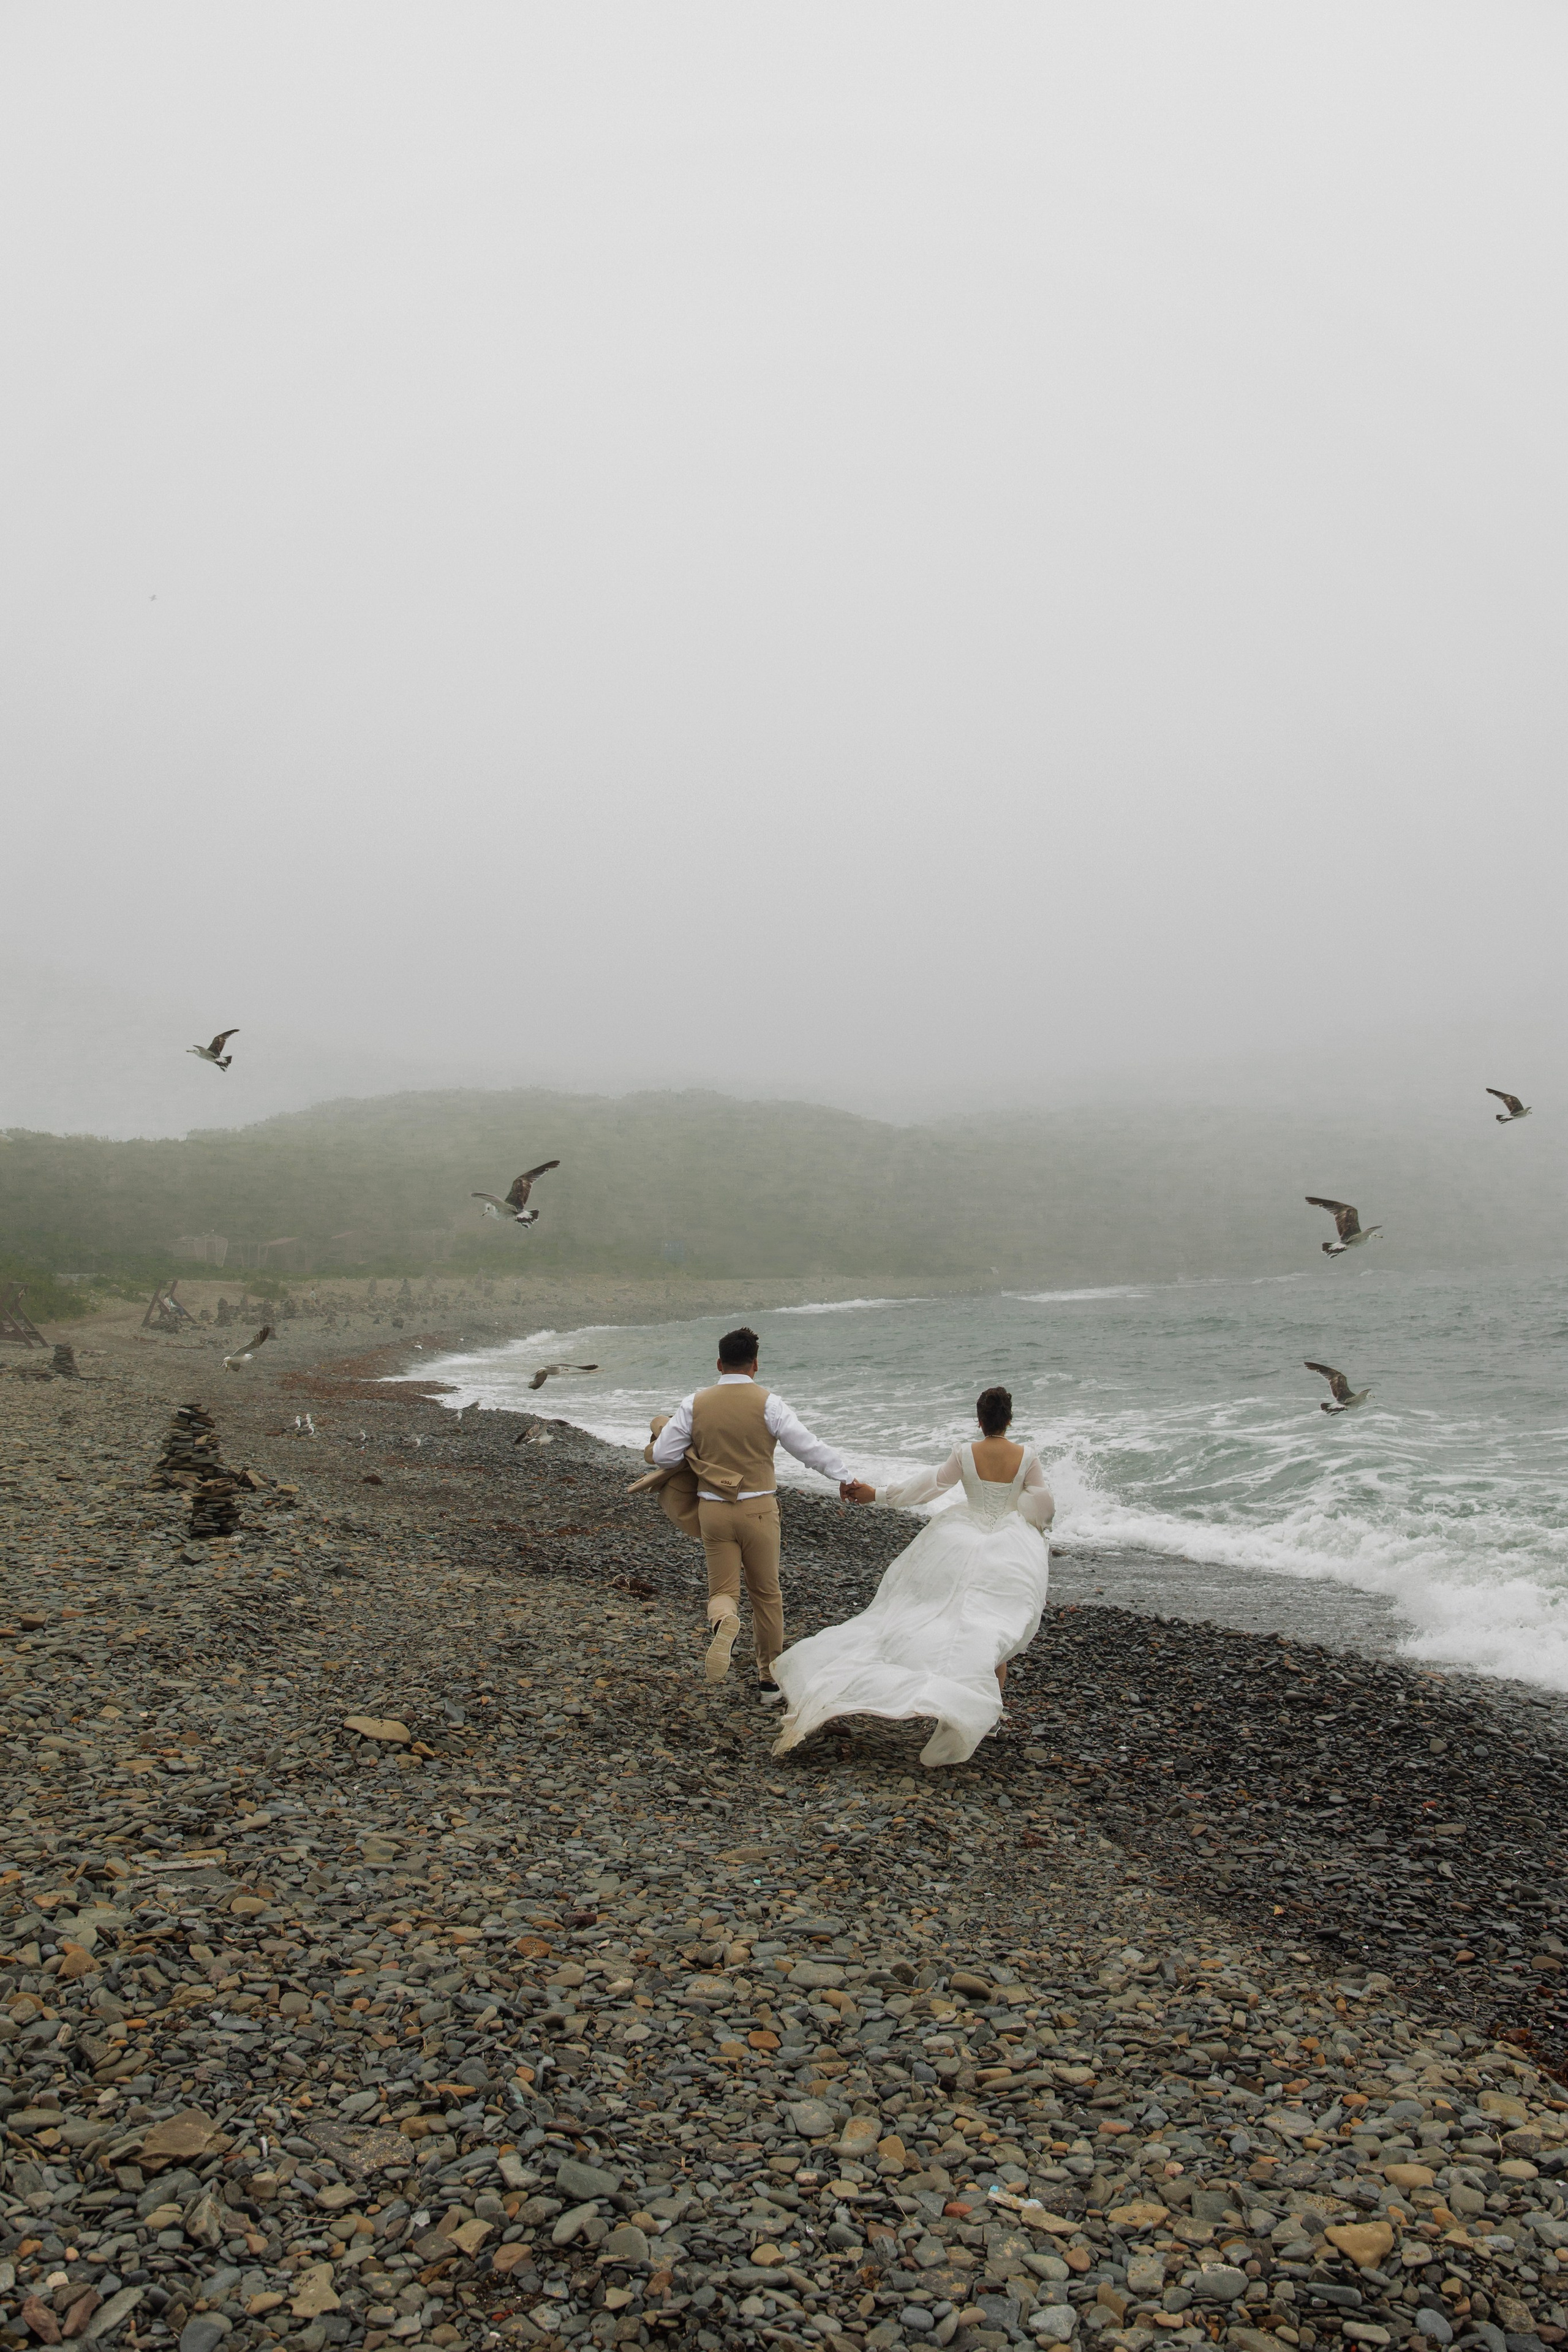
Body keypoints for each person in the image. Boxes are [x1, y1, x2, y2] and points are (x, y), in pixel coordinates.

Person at [769, 1384, 1053, 1767]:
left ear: (980, 1419)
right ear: (1010, 1418)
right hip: (1006, 1548)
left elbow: (929, 1486)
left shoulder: (965, 1452)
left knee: (927, 1615)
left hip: (956, 1541)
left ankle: (939, 1693)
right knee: (989, 1624)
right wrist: (1031, 1519)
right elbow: (1044, 1504)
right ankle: (984, 1714)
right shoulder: (1027, 1456)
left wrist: (877, 1495)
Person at [645, 1326, 861, 1705]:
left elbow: (664, 1457)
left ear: (718, 1363)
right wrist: (844, 1477)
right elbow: (807, 1448)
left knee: (723, 1592)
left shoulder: (695, 1404)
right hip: (759, 1510)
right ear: (755, 1365)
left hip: (712, 1509)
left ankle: (724, 1621)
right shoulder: (769, 1404)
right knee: (766, 1594)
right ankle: (768, 1682)